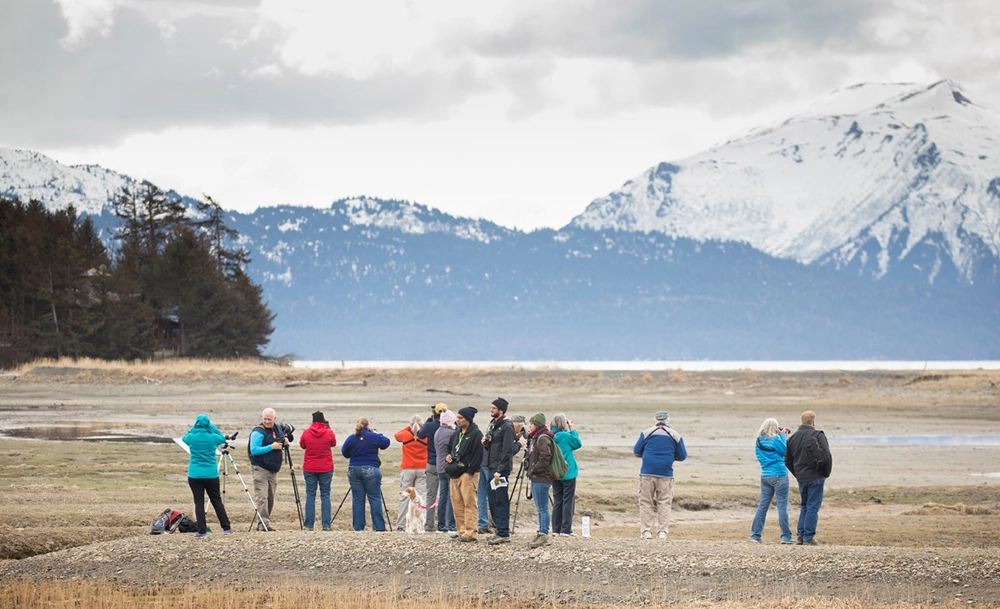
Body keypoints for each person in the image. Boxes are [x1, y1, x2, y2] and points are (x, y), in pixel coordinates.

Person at [633, 410, 687, 540]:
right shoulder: (675, 435)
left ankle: (646, 531)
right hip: (666, 473)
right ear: (668, 420)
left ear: (655, 420)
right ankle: (662, 531)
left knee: (646, 502)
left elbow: (636, 451)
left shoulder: (646, 432)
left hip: (647, 472)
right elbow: (683, 455)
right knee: (664, 503)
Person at [785, 410, 833, 545]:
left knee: (805, 506)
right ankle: (808, 537)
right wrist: (825, 473)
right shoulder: (817, 435)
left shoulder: (792, 439)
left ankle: (801, 535)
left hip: (802, 477)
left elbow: (787, 460)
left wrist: (797, 473)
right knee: (812, 506)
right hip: (815, 476)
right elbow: (827, 456)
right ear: (813, 422)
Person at [182, 414, 233, 538]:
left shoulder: (191, 437)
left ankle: (202, 531)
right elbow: (221, 437)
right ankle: (226, 528)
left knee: (199, 503)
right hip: (211, 474)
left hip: (194, 474)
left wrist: (194, 428)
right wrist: (211, 427)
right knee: (217, 501)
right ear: (208, 424)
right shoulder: (213, 438)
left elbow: (185, 437)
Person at [341, 417, 391, 532]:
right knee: (374, 498)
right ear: (368, 426)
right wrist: (378, 434)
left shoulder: (351, 438)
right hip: (371, 468)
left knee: (358, 499)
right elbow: (386, 442)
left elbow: (345, 453)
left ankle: (358, 528)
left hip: (354, 469)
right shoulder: (373, 436)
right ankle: (379, 527)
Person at [750, 418, 793, 544]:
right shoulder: (775, 440)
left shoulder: (758, 440)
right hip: (779, 475)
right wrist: (784, 437)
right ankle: (786, 536)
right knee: (782, 507)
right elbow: (785, 452)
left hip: (765, 475)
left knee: (762, 506)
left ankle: (755, 535)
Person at [445, 406, 484, 542]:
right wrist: (448, 457)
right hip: (454, 472)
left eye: (461, 418)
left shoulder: (476, 434)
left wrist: (470, 470)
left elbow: (478, 455)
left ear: (468, 419)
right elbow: (449, 448)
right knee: (457, 503)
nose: (458, 420)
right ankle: (461, 530)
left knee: (469, 502)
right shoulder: (456, 434)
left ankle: (471, 532)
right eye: (457, 417)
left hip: (468, 473)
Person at [249, 407, 288, 531]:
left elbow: (281, 439)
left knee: (270, 497)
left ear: (274, 419)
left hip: (273, 470)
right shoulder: (258, 432)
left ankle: (264, 522)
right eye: (265, 419)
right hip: (260, 468)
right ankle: (263, 525)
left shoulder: (277, 428)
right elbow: (254, 450)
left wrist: (285, 441)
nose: (267, 421)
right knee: (262, 497)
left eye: (269, 419)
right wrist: (271, 447)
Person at [484, 397, 516, 545]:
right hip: (491, 466)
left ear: (501, 410)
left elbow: (507, 450)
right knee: (492, 500)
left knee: (500, 500)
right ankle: (498, 530)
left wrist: (500, 469)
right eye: (491, 408)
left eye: (494, 408)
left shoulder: (507, 426)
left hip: (499, 469)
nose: (491, 410)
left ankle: (503, 532)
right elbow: (494, 446)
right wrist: (486, 443)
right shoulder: (494, 424)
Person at [299, 410, 337, 531]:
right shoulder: (329, 432)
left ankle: (309, 525)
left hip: (310, 467)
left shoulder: (306, 432)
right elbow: (333, 443)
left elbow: (302, 445)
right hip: (326, 467)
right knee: (325, 494)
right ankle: (326, 524)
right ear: (323, 420)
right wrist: (328, 426)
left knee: (310, 494)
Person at [394, 414, 429, 531]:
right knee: (421, 497)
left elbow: (396, 435)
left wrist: (408, 427)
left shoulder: (405, 435)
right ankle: (420, 525)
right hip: (423, 468)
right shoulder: (426, 436)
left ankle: (401, 525)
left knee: (404, 498)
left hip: (408, 468)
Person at [550, 413, 582, 537]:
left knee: (557, 500)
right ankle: (566, 529)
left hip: (555, 473)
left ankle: (556, 529)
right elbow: (578, 443)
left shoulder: (550, 436)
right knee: (568, 501)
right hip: (568, 473)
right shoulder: (565, 436)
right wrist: (572, 429)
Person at [526, 412, 555, 548]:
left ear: (536, 424)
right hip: (538, 477)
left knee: (542, 508)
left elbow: (545, 457)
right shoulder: (537, 438)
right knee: (540, 508)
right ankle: (541, 532)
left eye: (531, 424)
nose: (529, 426)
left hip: (541, 478)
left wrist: (533, 469)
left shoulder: (543, 439)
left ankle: (543, 533)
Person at [417, 403, 445, 531]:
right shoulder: (450, 426)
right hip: (445, 464)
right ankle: (444, 524)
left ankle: (429, 525)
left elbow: (420, 434)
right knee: (446, 495)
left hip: (432, 463)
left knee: (430, 495)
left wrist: (429, 421)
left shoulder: (430, 425)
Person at [434, 408, 458, 535]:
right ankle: (451, 525)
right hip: (448, 468)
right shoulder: (451, 433)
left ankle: (441, 525)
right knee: (450, 496)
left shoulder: (438, 432)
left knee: (442, 497)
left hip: (440, 467)